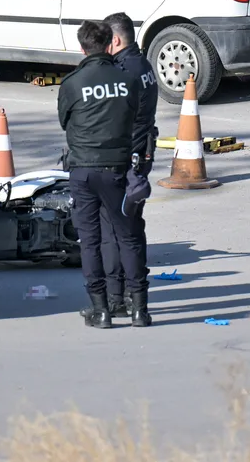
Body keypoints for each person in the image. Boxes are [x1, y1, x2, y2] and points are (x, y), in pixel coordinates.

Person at [57, 20, 152, 329]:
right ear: (109, 43)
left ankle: (101, 310)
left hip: (83, 170)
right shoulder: (128, 80)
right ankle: (139, 309)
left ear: (82, 47)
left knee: (91, 241)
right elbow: (133, 115)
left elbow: (64, 121)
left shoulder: (72, 82)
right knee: (129, 238)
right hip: (118, 170)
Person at [94, 12, 159, 318]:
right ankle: (134, 299)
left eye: (106, 41)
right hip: (140, 155)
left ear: (116, 40)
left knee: (114, 230)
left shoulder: (122, 71)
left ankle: (118, 298)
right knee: (131, 228)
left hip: (121, 158)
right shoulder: (142, 64)